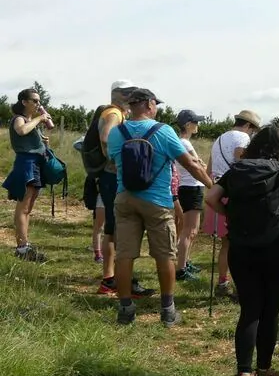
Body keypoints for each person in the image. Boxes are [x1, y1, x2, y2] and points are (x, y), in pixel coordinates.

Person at [205, 126, 279, 376]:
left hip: (241, 248)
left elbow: (210, 198)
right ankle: (264, 369)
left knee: (249, 309)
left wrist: (232, 216)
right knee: (270, 310)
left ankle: (245, 373)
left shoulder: (237, 171)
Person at [108, 88, 213, 327]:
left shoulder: (116, 133)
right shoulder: (163, 131)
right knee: (165, 254)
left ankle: (125, 309)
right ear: (148, 104)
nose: (157, 108)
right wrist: (211, 186)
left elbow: (114, 164)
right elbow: (190, 164)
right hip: (157, 201)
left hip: (124, 198)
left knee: (124, 255)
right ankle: (167, 310)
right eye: (156, 104)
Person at [87, 80, 153, 297]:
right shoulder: (114, 113)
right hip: (112, 176)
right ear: (121, 95)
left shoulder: (112, 112)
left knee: (112, 229)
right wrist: (118, 161)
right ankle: (112, 280)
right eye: (129, 93)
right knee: (116, 229)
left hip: (108, 176)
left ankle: (110, 279)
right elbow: (106, 137)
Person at [203, 110, 261, 296]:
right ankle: (241, 285)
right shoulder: (243, 139)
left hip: (217, 190)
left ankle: (222, 282)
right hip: (235, 192)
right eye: (253, 130)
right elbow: (242, 164)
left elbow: (209, 169)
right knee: (240, 244)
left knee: (225, 244)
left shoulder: (219, 138)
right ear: (248, 126)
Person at [2, 88, 51, 261]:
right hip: (26, 165)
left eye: (39, 101)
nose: (39, 104)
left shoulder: (30, 120)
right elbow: (21, 131)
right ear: (24, 102)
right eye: (35, 101)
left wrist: (43, 141)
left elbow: (29, 135)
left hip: (35, 164)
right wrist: (40, 118)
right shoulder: (19, 119)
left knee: (28, 209)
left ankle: (25, 245)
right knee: (23, 208)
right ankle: (22, 248)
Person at [174, 109, 208, 282]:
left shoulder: (180, 142)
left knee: (189, 230)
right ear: (188, 125)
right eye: (195, 122)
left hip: (185, 187)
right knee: (190, 230)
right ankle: (180, 269)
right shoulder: (185, 144)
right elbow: (198, 164)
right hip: (191, 187)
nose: (198, 125)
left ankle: (184, 262)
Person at [74, 136, 105, 263]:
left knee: (102, 226)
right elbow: (77, 144)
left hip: (104, 188)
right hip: (102, 188)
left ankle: (101, 253)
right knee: (100, 225)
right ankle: (98, 253)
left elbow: (77, 145)